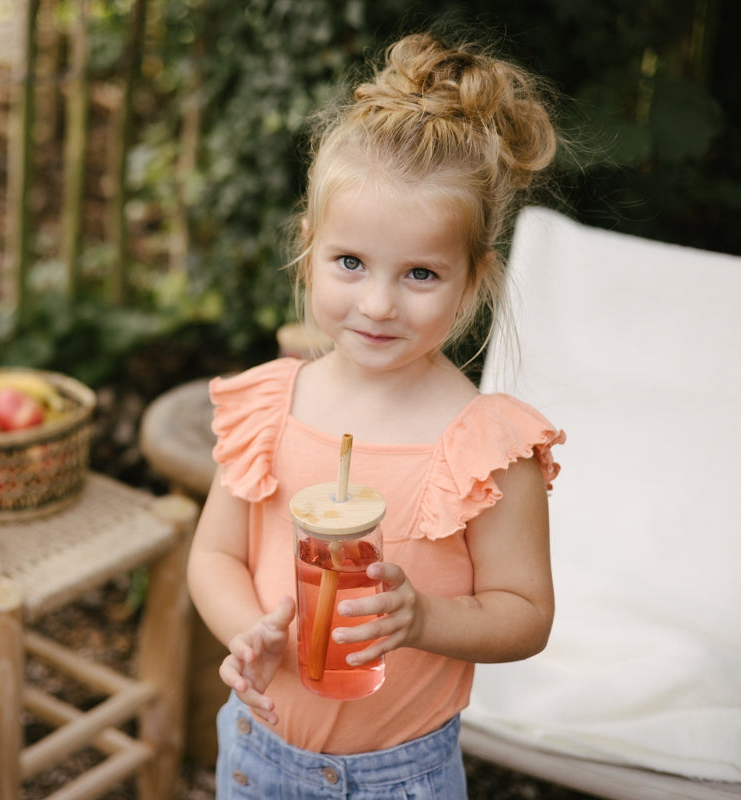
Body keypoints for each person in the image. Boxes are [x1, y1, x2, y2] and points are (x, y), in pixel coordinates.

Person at [187, 31, 567, 799]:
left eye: (420, 273)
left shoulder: (484, 447)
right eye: (351, 262)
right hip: (255, 755)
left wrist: (421, 618)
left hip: (402, 777)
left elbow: (526, 615)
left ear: (472, 280)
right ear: (310, 247)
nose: (378, 303)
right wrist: (246, 632)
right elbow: (214, 557)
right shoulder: (272, 404)